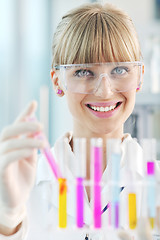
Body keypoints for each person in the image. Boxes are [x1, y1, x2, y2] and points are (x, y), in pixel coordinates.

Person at [0, 2, 157, 240]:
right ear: (57, 81)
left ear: (140, 76)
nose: (104, 91)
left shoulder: (154, 183)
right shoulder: (23, 183)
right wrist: (7, 219)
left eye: (120, 70)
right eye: (84, 72)